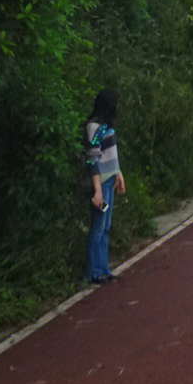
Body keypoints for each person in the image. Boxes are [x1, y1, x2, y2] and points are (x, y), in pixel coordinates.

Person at [83, 87, 125, 283]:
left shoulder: (106, 127)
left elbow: (110, 153)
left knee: (105, 226)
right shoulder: (94, 128)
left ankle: (103, 269)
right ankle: (92, 272)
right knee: (98, 227)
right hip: (100, 183)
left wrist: (118, 173)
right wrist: (97, 189)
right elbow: (92, 159)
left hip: (109, 181)